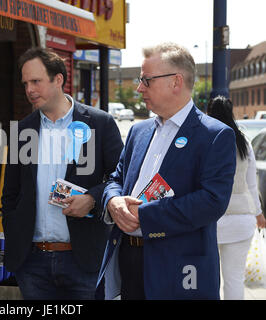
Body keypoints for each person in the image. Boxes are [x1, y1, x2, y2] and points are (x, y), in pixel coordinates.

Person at [97, 43, 237, 300]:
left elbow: (212, 201)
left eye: (146, 80)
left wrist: (144, 215)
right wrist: (114, 201)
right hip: (129, 261)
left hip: (178, 271)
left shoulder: (215, 136)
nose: (139, 88)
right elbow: (116, 179)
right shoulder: (139, 132)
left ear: (176, 82)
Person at [1, 47, 124, 300]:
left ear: (58, 79)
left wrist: (92, 198)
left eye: (36, 81)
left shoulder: (100, 123)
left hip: (84, 260)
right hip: (32, 263)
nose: (29, 90)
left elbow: (121, 178)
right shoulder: (22, 131)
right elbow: (10, 194)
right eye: (25, 83)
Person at [207, 96, 266, 300]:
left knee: (208, 279)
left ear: (209, 113)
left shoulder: (206, 138)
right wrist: (258, 214)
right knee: (234, 279)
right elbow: (252, 184)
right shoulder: (243, 141)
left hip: (210, 218)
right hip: (241, 219)